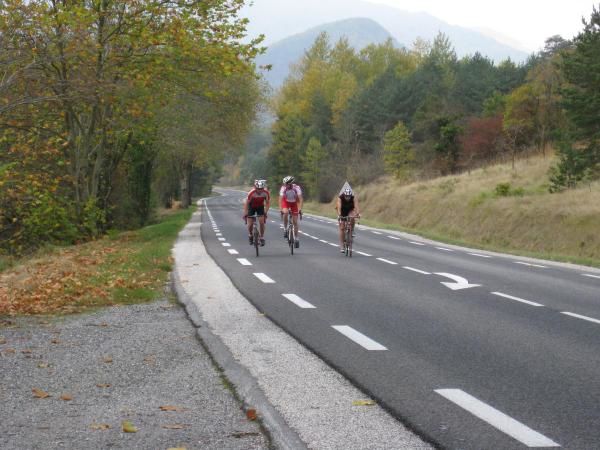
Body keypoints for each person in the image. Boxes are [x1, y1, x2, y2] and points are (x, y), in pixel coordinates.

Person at [243, 179, 270, 246]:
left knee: (261, 222)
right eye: (258, 189)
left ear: (263, 188)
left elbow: (267, 203)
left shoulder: (266, 193)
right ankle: (250, 235)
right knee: (250, 224)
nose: (259, 190)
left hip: (260, 207)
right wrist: (245, 213)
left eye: (261, 189)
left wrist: (266, 212)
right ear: (255, 188)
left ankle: (261, 237)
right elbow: (246, 203)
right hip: (251, 207)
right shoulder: (251, 193)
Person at [279, 175, 303, 248]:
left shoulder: (296, 188)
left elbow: (300, 199)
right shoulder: (283, 188)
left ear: (290, 183)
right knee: (285, 213)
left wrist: (300, 209)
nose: (285, 185)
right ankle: (285, 229)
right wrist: (281, 209)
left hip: (294, 203)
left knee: (295, 222)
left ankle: (296, 238)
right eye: (284, 184)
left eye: (286, 184)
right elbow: (280, 199)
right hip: (285, 202)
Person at [336, 187, 360, 252]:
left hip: (350, 210)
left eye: (349, 196)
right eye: (346, 196)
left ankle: (352, 230)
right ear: (344, 195)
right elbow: (339, 207)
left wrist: (358, 214)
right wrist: (339, 215)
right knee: (342, 227)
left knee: (352, 217)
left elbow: (356, 206)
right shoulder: (340, 198)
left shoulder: (353, 198)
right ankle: (342, 245)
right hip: (342, 211)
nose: (347, 197)